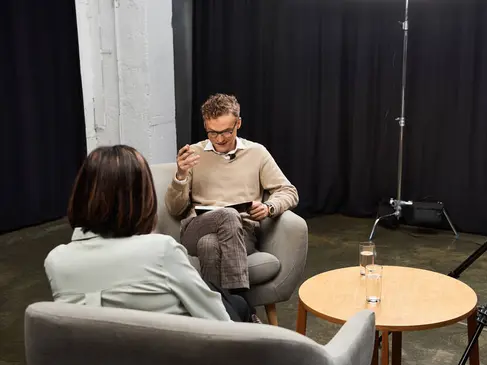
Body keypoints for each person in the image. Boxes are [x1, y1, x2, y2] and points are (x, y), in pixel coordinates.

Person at [44, 145, 256, 323]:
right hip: (176, 364)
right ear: (141, 197)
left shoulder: (56, 262)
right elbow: (219, 326)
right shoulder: (160, 251)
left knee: (215, 281)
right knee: (237, 305)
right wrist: (181, 176)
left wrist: (270, 206)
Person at [165, 93, 299, 294]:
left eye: (226, 132)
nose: (219, 139)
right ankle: (243, 306)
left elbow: (288, 191)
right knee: (227, 216)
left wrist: (269, 207)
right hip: (196, 227)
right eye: (212, 133)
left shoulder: (257, 153)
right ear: (205, 127)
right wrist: (181, 175)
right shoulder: (193, 154)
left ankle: (221, 316)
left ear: (238, 123)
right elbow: (175, 209)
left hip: (243, 232)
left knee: (209, 245)